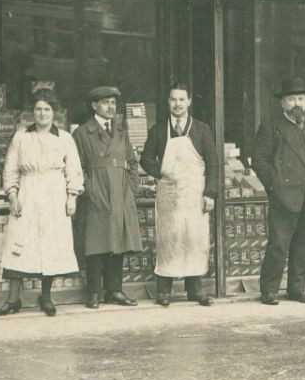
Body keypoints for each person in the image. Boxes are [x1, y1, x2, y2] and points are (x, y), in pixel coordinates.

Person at [249, 77, 305, 306]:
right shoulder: (272, 127)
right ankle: (269, 290)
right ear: (282, 103)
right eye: (291, 99)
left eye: (301, 98)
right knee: (279, 243)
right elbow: (259, 160)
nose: (297, 103)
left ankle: (296, 289)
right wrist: (274, 185)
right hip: (286, 193)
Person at [0, 89, 83, 316]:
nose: (42, 114)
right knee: (18, 242)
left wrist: (71, 197)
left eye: (47, 109)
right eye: (38, 109)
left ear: (55, 113)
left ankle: (46, 297)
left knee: (49, 244)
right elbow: (10, 169)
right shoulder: (21, 137)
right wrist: (13, 195)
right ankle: (13, 299)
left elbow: (74, 170)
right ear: (32, 112)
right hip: (27, 192)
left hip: (54, 195)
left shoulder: (64, 138)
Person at [140, 84, 216, 307]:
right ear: (168, 102)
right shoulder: (157, 130)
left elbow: (213, 163)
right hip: (170, 194)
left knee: (194, 238)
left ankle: (195, 289)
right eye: (173, 99)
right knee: (169, 240)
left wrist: (210, 193)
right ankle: (164, 291)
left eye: (182, 100)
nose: (177, 104)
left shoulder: (202, 130)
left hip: (195, 193)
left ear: (189, 102)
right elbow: (145, 159)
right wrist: (162, 171)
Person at [72, 86, 143, 309]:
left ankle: (115, 290)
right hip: (98, 192)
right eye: (105, 102)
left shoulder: (121, 131)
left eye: (113, 103)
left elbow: (132, 162)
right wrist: (90, 189)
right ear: (95, 106)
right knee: (96, 243)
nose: (111, 107)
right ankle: (93, 291)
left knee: (118, 241)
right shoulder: (83, 133)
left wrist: (131, 187)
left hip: (120, 192)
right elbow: (77, 167)